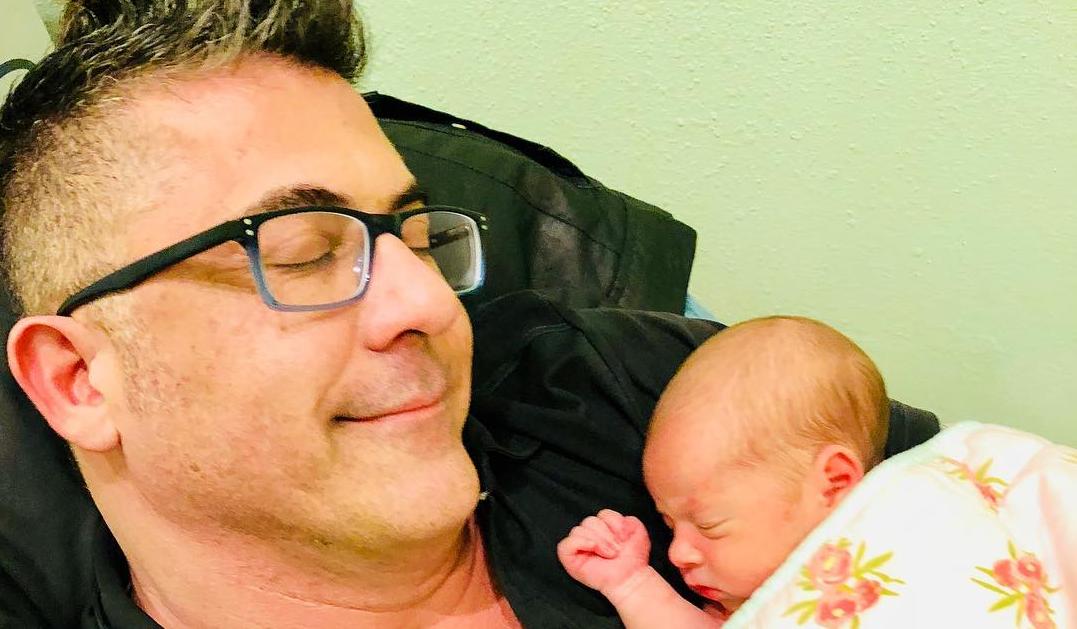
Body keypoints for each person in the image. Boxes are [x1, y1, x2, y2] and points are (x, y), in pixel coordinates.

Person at [0, 2, 937, 627]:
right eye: (305, 251)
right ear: (79, 380)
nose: (427, 302)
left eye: (415, 237)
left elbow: (984, 498)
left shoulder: (608, 386)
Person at [558, 316, 890, 627]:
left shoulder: (903, 558)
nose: (677, 553)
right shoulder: (750, 606)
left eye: (709, 525)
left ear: (833, 484)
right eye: (669, 526)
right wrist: (631, 584)